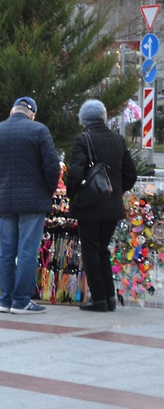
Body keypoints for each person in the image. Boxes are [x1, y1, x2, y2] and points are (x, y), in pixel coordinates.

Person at [0, 96, 60, 314]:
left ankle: (5, 300)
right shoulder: (39, 130)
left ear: (12, 111)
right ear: (32, 114)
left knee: (6, 252)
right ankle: (21, 301)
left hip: (6, 200)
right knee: (27, 251)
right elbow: (53, 165)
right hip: (33, 201)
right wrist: (49, 189)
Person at [66, 99, 137, 312]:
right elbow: (130, 175)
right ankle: (109, 296)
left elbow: (75, 173)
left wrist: (73, 195)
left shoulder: (83, 139)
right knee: (103, 250)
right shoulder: (118, 139)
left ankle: (98, 299)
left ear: (84, 120)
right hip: (112, 206)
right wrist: (115, 191)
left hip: (89, 206)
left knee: (90, 251)